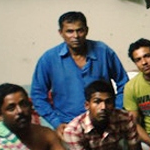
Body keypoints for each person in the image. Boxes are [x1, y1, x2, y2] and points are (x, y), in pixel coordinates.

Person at [31, 11, 129, 139]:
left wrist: (115, 110)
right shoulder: (49, 59)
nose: (76, 36)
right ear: (61, 33)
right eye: (69, 31)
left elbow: (124, 84)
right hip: (68, 125)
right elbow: (37, 95)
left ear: (86, 30)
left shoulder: (103, 51)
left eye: (80, 30)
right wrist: (56, 122)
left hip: (106, 122)